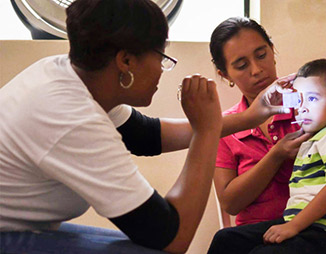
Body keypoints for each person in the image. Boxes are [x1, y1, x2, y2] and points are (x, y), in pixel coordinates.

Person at [0, 1, 290, 253]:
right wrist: (206, 131)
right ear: (126, 60)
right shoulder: (73, 120)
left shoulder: (71, 76)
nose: (162, 70)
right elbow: (172, 237)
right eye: (161, 56)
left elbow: (148, 136)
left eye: (262, 54)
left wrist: (252, 115)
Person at [208, 17, 326, 254]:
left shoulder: (310, 107)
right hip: (262, 228)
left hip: (317, 228)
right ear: (225, 74)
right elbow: (231, 203)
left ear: (272, 50)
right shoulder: (227, 127)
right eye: (241, 65)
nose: (257, 70)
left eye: (261, 55)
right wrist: (276, 156)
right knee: (224, 240)